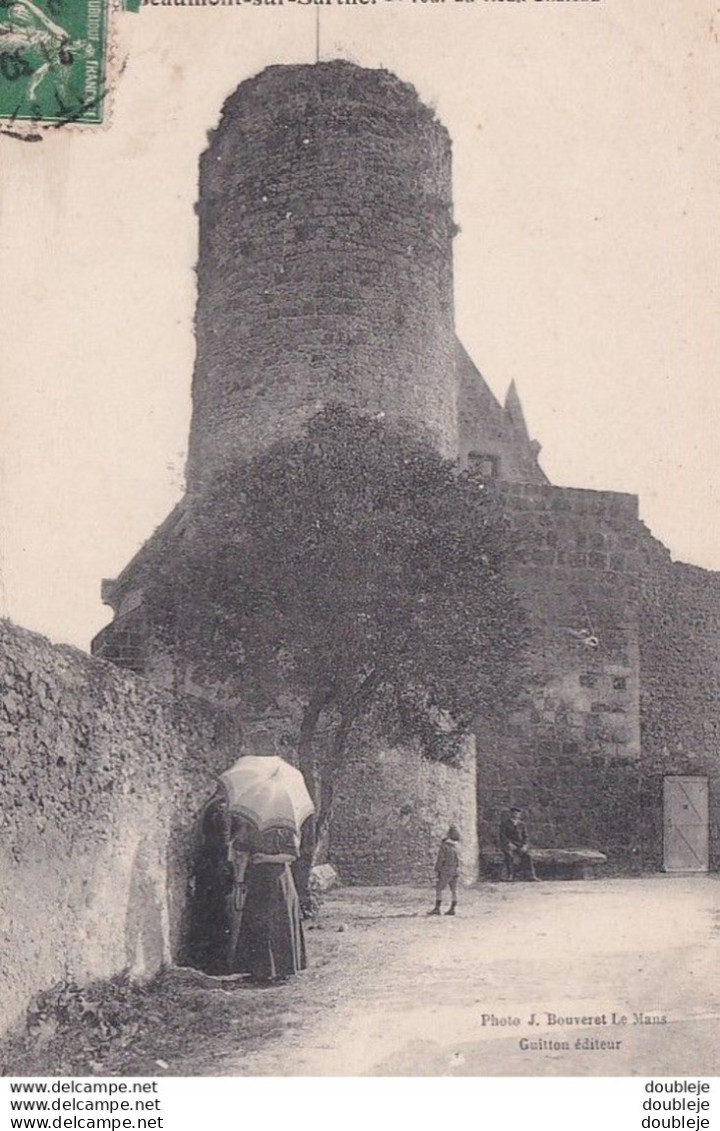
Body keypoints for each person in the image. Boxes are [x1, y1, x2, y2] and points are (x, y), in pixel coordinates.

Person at [229, 818, 308, 983]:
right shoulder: (251, 827)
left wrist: (265, 858)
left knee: (277, 922)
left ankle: (280, 969)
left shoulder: (286, 829)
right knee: (259, 922)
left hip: (279, 881)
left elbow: (291, 856)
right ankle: (258, 970)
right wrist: (240, 881)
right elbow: (240, 850)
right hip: (259, 880)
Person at [428, 824, 461, 916]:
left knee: (439, 888)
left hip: (446, 870)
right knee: (453, 890)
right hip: (455, 870)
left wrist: (437, 869)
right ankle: (452, 908)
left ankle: (437, 908)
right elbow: (457, 860)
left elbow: (441, 859)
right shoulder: (455, 847)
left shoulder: (445, 846)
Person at [499, 806, 538, 881]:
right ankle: (510, 875)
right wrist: (509, 843)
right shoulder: (505, 824)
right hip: (509, 845)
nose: (516, 815)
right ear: (511, 814)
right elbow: (502, 836)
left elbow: (525, 836)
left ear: (519, 815)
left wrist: (525, 845)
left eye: (517, 814)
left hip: (519, 845)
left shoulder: (522, 824)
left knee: (527, 856)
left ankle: (531, 875)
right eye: (514, 813)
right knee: (509, 855)